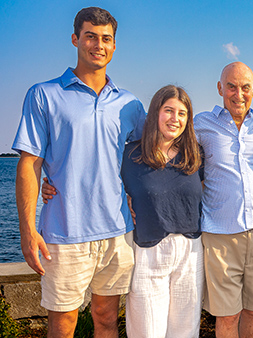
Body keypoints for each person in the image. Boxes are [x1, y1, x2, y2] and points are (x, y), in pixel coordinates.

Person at [12, 7, 145, 338]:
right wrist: (27, 231)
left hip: (117, 231)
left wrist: (134, 194)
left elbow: (146, 156)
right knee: (63, 323)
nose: (98, 45)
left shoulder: (129, 104)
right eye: (90, 36)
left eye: (106, 39)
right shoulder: (43, 95)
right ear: (75, 39)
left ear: (114, 46)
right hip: (64, 231)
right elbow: (29, 163)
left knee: (106, 318)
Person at [194, 62, 253, 338]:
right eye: (231, 86)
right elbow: (180, 161)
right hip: (220, 234)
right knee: (227, 316)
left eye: (245, 87)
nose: (238, 94)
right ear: (220, 88)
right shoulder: (201, 124)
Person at [121, 85, 203, 337]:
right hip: (148, 250)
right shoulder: (130, 154)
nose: (174, 119)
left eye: (182, 113)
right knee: (146, 330)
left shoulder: (195, 155)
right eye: (168, 111)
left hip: (190, 251)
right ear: (155, 112)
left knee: (186, 330)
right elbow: (102, 184)